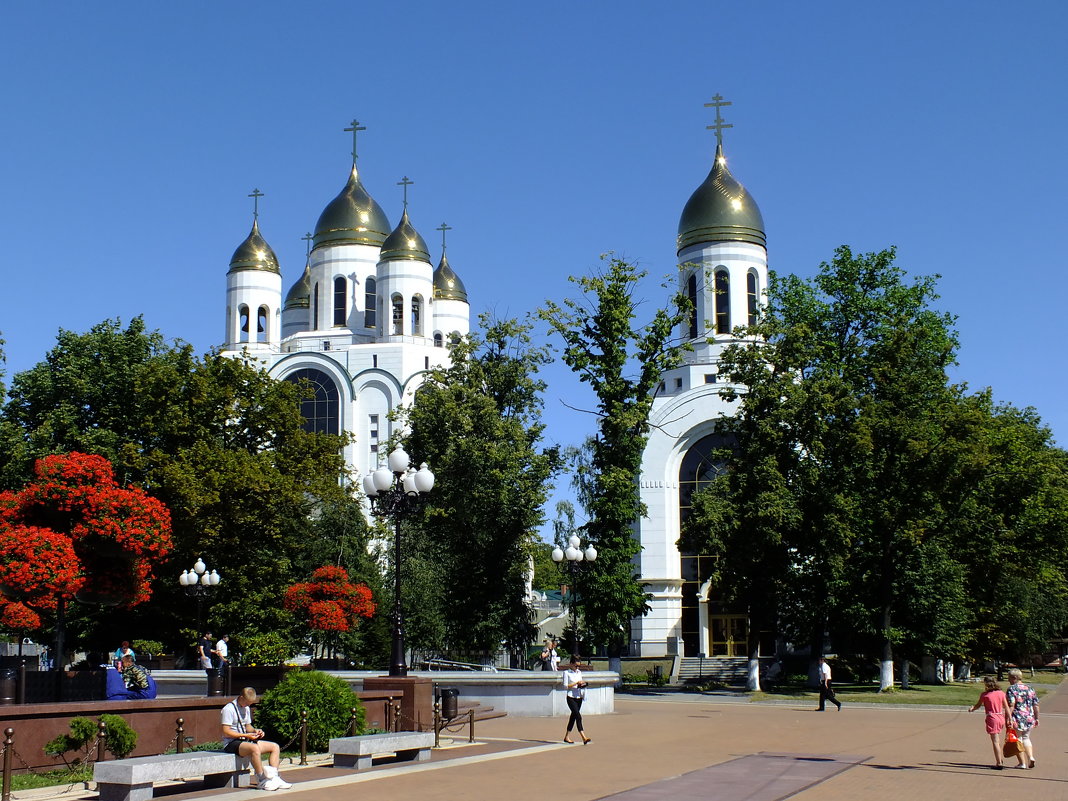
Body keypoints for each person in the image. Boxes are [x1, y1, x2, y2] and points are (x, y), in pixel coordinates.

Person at [221, 687, 292, 791]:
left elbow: (248, 726)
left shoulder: (246, 708)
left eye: (250, 703)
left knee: (274, 747)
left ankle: (274, 777)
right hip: (231, 742)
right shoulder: (229, 709)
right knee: (254, 748)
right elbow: (226, 731)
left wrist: (255, 731)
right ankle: (261, 780)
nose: (249, 705)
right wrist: (246, 736)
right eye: (247, 702)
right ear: (241, 697)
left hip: (245, 740)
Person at [969, 676, 1009, 769]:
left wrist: (972, 709)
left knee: (995, 741)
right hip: (1000, 717)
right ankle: (1000, 758)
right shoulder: (1001, 693)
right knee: (997, 740)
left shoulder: (985, 695)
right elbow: (1006, 707)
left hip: (992, 717)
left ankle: (999, 762)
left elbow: (978, 705)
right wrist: (1009, 718)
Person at [1005, 668, 1039, 769]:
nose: (1009, 680)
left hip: (1017, 717)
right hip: (1029, 717)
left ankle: (1022, 763)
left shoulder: (1012, 689)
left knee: (1017, 739)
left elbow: (1011, 704)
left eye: (1010, 678)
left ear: (1014, 678)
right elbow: (1036, 704)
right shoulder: (1030, 688)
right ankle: (1031, 757)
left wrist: (1008, 717)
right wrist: (1037, 718)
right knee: (1026, 738)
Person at [562, 659, 591, 744]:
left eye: (579, 666)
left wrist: (582, 684)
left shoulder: (579, 672)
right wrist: (575, 683)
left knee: (573, 717)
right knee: (578, 716)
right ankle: (583, 737)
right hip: (570, 697)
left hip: (579, 696)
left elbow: (580, 683)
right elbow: (565, 686)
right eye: (576, 665)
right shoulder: (566, 673)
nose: (577, 668)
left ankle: (566, 737)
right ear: (571, 664)